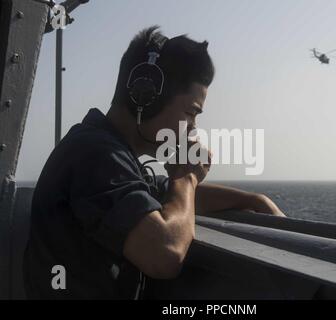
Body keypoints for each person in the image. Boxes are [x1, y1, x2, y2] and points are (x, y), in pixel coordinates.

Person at [23, 25, 285, 300]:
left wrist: (252, 201)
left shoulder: (110, 153)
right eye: (190, 112)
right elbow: (165, 255)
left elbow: (164, 196)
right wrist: (187, 176)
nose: (192, 128)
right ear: (145, 96)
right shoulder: (96, 155)